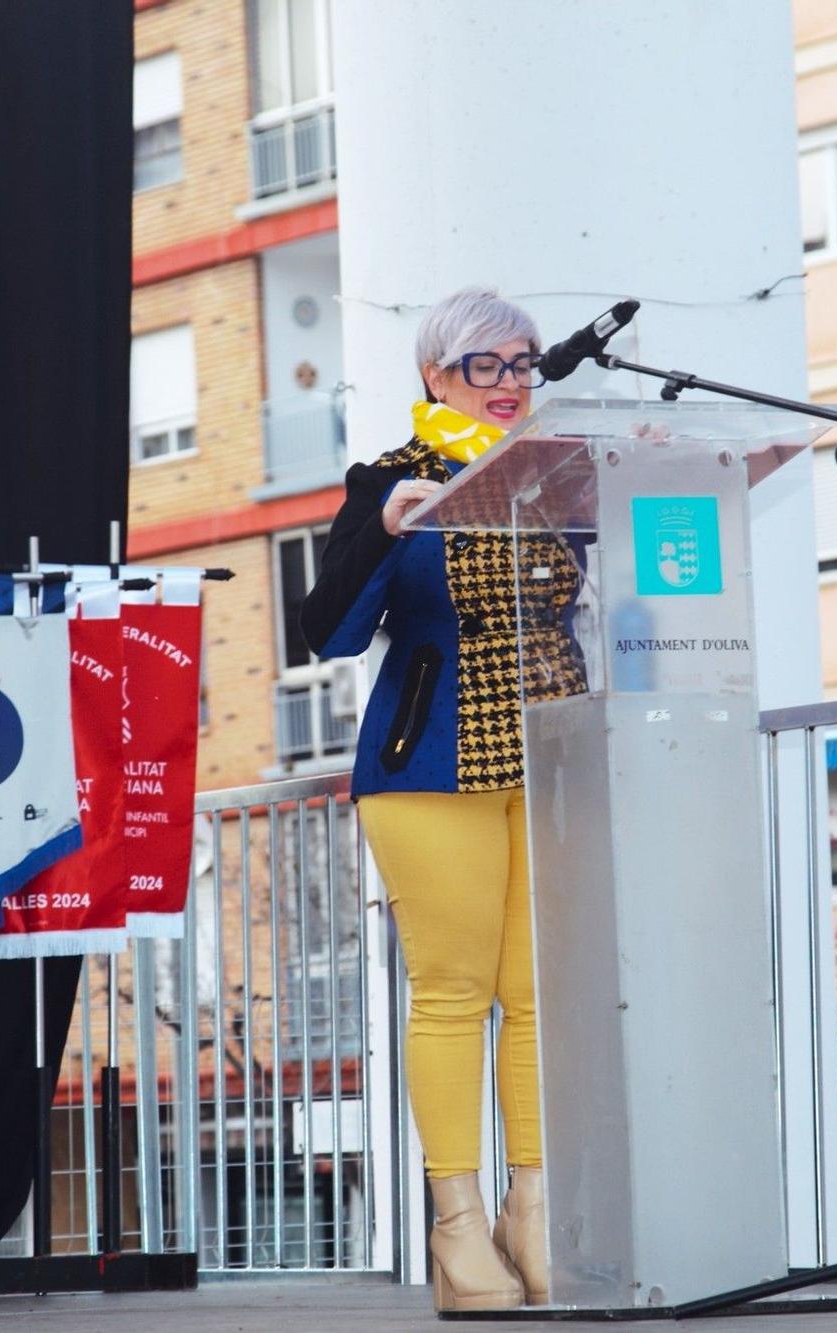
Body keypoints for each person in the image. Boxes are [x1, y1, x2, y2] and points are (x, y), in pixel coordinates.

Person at [301, 286, 586, 1311]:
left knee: (541, 995)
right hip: (429, 766)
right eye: (485, 365)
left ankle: (534, 1212)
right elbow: (325, 631)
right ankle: (458, 1232)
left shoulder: (557, 477)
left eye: (522, 363)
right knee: (455, 991)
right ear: (433, 373)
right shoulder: (391, 478)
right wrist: (378, 529)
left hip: (552, 759)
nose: (510, 383)